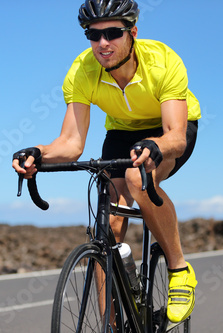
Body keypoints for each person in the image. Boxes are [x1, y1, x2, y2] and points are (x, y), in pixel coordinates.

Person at [12, 0, 200, 324]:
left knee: (137, 180)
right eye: (93, 35)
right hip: (122, 132)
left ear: (133, 32)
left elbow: (177, 136)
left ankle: (179, 269)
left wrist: (156, 146)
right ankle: (110, 324)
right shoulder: (82, 71)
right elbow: (71, 144)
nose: (103, 43)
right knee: (107, 227)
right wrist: (39, 153)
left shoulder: (163, 61)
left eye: (113, 32)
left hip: (166, 131)